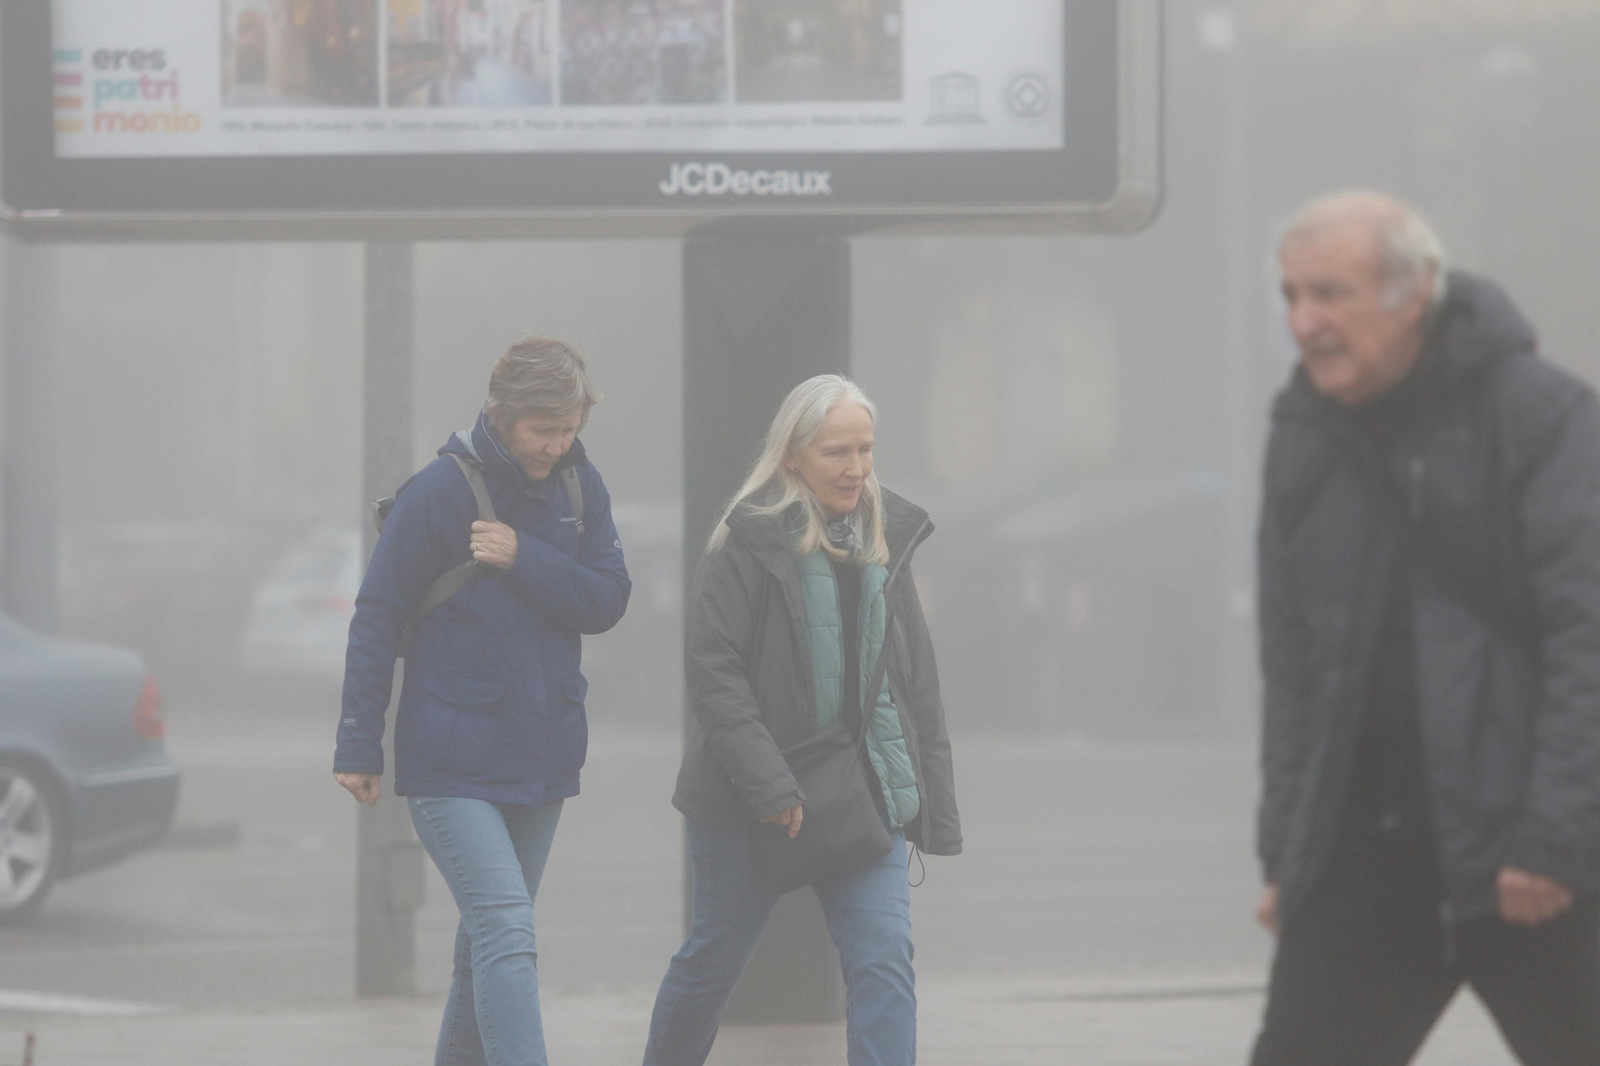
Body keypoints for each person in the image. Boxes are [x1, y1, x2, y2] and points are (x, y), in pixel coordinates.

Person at [1251, 190, 1600, 1065]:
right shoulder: (1304, 434)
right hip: (1363, 863)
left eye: (1332, 293)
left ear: (1415, 294)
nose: (1306, 321)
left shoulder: (1543, 416)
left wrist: (1555, 842)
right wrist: (1288, 852)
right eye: (1292, 295)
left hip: (1531, 861)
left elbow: (1586, 640)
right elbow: (1294, 665)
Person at [642, 375, 962, 1066]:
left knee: (884, 963)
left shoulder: (888, 540)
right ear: (792, 457)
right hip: (747, 800)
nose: (855, 468)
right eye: (836, 452)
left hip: (859, 792)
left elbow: (915, 682)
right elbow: (714, 673)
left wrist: (928, 799)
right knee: (713, 962)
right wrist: (771, 784)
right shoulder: (744, 542)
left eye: (865, 450)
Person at [333, 336, 631, 1066]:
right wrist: (357, 744)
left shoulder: (579, 487)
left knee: (485, 948)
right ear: (500, 414)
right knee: (505, 927)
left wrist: (524, 556)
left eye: (569, 431)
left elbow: (607, 600)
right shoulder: (437, 492)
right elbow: (377, 616)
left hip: (543, 754)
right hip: (451, 762)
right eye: (542, 431)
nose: (556, 446)